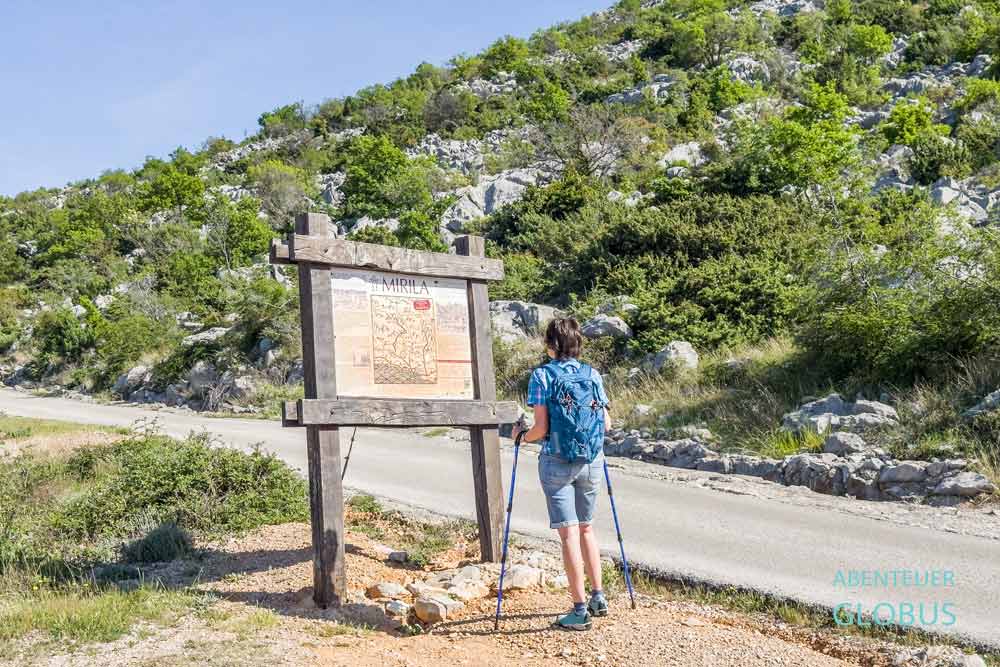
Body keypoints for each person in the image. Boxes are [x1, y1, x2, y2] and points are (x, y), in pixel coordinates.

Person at [513, 317, 611, 631]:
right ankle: (598, 597)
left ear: (550, 344)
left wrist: (520, 436)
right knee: (587, 529)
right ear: (577, 343)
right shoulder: (592, 374)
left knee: (568, 534)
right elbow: (606, 424)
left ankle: (579, 611)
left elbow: (540, 429)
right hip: (591, 461)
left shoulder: (542, 376)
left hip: (556, 462)